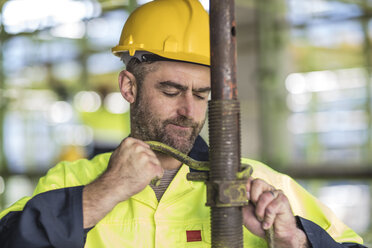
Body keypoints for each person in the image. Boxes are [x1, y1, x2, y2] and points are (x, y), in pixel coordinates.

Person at [0, 0, 367, 247]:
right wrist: (101, 195)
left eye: (202, 94)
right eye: (172, 91)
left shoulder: (260, 186)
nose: (189, 110)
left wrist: (294, 240)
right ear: (129, 87)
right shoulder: (72, 183)